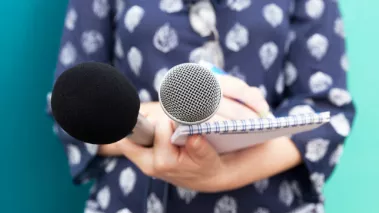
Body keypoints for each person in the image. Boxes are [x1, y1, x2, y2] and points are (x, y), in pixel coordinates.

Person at [46, 0, 356, 212]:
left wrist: (222, 174)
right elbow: (72, 103)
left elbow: (327, 111)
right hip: (134, 200)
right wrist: (164, 118)